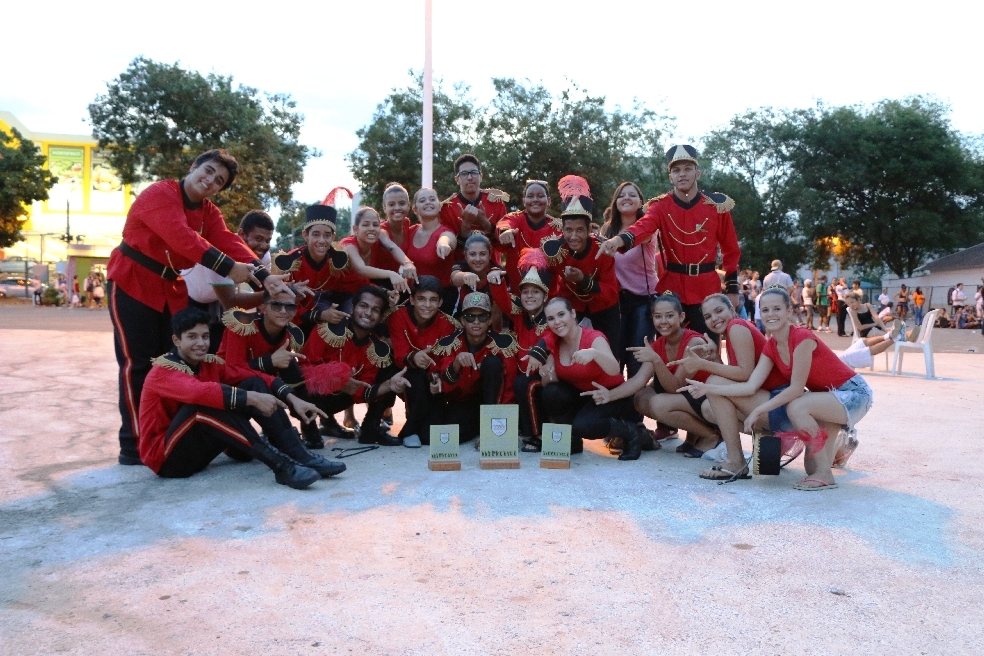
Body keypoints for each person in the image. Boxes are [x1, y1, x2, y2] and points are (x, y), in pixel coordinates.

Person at [107, 148, 290, 465]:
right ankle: (132, 444)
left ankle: (167, 432)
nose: (210, 180)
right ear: (193, 167)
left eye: (218, 180)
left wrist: (265, 276)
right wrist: (229, 267)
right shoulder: (161, 193)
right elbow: (183, 239)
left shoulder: (209, 212)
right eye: (207, 171)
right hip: (132, 282)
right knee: (136, 364)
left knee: (171, 363)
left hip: (169, 288)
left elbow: (227, 240)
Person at [681, 287, 873, 490]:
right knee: (811, 468)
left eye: (776, 309)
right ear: (759, 313)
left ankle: (826, 475)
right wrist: (707, 388)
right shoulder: (771, 345)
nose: (770, 314)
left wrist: (757, 410)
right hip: (824, 399)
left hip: (852, 393)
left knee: (797, 407)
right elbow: (750, 385)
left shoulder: (801, 337)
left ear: (789, 311)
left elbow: (796, 389)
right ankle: (838, 446)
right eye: (765, 310)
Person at [138, 307, 345, 488]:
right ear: (176, 340)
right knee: (204, 404)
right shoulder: (162, 371)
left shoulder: (209, 362)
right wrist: (253, 399)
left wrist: (292, 398)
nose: (201, 343)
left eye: (205, 336)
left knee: (253, 383)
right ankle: (281, 465)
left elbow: (252, 375)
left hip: (199, 452)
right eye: (192, 337)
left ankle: (299, 455)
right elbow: (199, 392)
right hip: (168, 460)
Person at [597, 144, 741, 339]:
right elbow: (643, 227)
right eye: (676, 170)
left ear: (697, 173)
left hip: (707, 288)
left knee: (708, 349)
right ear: (670, 177)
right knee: (671, 352)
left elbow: (730, 250)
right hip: (673, 290)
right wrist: (618, 240)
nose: (682, 174)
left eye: (687, 169)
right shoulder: (660, 206)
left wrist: (732, 289)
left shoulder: (716, 206)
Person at [666, 293, 790, 480]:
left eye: (719, 311)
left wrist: (702, 364)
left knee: (713, 385)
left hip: (780, 403)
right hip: (772, 401)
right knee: (709, 408)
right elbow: (737, 377)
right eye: (707, 316)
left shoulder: (736, 327)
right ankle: (765, 435)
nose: (714, 318)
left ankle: (736, 460)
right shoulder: (734, 330)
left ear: (732, 310)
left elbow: (745, 374)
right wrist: (715, 357)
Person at [525, 297, 650, 461]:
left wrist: (595, 354)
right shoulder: (554, 343)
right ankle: (572, 441)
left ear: (573, 314)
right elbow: (549, 386)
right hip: (585, 397)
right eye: (551, 318)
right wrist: (547, 373)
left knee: (584, 425)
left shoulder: (593, 337)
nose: (557, 322)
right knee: (551, 393)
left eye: (561, 315)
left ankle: (631, 432)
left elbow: (614, 369)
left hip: (612, 396)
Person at [301, 285, 410, 448]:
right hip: (317, 396)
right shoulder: (325, 331)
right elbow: (303, 370)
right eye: (364, 306)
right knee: (300, 383)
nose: (368, 313)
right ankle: (309, 431)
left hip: (348, 396)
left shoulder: (377, 347)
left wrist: (388, 385)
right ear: (352, 308)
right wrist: (335, 379)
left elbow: (363, 391)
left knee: (390, 366)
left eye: (375, 310)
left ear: (380, 317)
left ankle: (370, 428)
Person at [620, 292, 720, 457]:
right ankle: (694, 434)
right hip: (692, 397)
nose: (663, 321)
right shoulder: (658, 344)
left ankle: (711, 436)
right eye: (658, 316)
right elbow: (638, 380)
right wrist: (608, 395)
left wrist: (657, 361)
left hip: (712, 401)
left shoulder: (694, 342)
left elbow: (676, 387)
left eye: (669, 316)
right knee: (642, 397)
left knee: (659, 403)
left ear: (681, 317)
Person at [542, 175, 621, 354]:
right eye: (568, 230)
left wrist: (583, 281)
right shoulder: (555, 250)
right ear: (562, 230)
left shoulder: (603, 250)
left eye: (579, 230)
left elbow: (611, 293)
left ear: (589, 230)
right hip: (571, 309)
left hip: (604, 310)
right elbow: (550, 283)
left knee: (610, 353)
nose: (574, 236)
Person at [428, 292, 518, 444]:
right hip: (464, 401)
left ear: (489, 320)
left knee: (492, 363)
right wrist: (456, 363)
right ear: (463, 320)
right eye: (470, 317)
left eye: (482, 316)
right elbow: (445, 386)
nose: (476, 321)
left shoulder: (502, 344)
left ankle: (489, 427)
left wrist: (496, 424)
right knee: (451, 436)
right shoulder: (451, 343)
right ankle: (477, 428)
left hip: (492, 402)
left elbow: (509, 387)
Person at [182, 209, 276, 352]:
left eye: (267, 241)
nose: (263, 246)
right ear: (241, 235)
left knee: (227, 345)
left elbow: (261, 296)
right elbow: (230, 301)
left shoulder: (264, 256)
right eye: (258, 239)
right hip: (189, 296)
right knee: (198, 349)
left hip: (218, 295)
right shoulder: (221, 251)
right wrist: (272, 294)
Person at [488, 248, 551, 451]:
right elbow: (503, 299)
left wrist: (539, 351)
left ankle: (537, 436)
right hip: (524, 378)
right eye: (525, 292)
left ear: (545, 296)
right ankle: (506, 428)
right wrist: (496, 279)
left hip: (548, 377)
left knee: (525, 384)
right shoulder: (519, 315)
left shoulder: (551, 317)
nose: (529, 296)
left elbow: (555, 336)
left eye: (535, 292)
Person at [387, 276, 459, 448]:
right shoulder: (397, 316)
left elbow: (445, 359)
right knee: (416, 374)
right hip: (405, 375)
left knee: (428, 437)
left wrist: (437, 379)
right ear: (411, 299)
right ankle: (409, 431)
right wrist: (414, 357)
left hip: (434, 381)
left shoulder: (447, 324)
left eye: (433, 300)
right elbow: (399, 355)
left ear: (440, 302)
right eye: (421, 299)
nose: (427, 305)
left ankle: (417, 427)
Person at [601, 182, 660, 379]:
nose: (626, 198)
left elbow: (634, 238)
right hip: (615, 302)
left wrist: (615, 242)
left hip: (643, 300)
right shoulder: (607, 230)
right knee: (615, 357)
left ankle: (635, 408)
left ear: (641, 202)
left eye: (632, 195)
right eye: (621, 195)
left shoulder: (647, 227)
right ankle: (616, 407)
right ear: (615, 202)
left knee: (637, 358)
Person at [272, 203, 352, 335]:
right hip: (293, 325)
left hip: (326, 327)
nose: (321, 240)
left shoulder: (339, 262)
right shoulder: (289, 262)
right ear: (305, 235)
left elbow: (357, 285)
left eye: (327, 235)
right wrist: (318, 314)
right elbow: (275, 302)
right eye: (315, 234)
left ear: (333, 237)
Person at [334, 207, 416, 297]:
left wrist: (408, 263)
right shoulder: (348, 244)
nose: (371, 228)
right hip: (341, 296)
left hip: (365, 292)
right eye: (366, 225)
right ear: (356, 229)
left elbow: (392, 247)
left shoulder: (377, 239)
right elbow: (360, 269)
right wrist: (391, 274)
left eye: (375, 225)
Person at [496, 180, 562, 291]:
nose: (535, 200)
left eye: (540, 196)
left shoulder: (558, 227)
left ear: (549, 200)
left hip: (549, 296)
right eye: (530, 196)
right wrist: (505, 232)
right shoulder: (515, 218)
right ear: (524, 201)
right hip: (516, 293)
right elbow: (505, 223)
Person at [439, 154, 508, 252]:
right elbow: (450, 249)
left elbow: (505, 247)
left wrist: (485, 223)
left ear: (481, 176)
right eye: (464, 174)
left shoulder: (496, 202)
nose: (470, 177)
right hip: (459, 265)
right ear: (457, 180)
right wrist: (466, 224)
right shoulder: (447, 208)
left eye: (474, 172)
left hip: (492, 264)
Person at [406, 188, 458, 313]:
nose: (428, 202)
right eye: (422, 200)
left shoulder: (445, 232)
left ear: (439, 206)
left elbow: (447, 239)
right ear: (414, 209)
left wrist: (443, 244)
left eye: (432, 199)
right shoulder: (410, 231)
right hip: (415, 297)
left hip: (441, 298)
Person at [450, 234, 504, 324]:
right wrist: (464, 276)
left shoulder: (497, 271)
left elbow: (498, 313)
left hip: (489, 323)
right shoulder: (461, 266)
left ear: (490, 255)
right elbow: (454, 278)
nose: (477, 259)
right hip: (461, 321)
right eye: (472, 254)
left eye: (482, 254)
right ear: (465, 255)